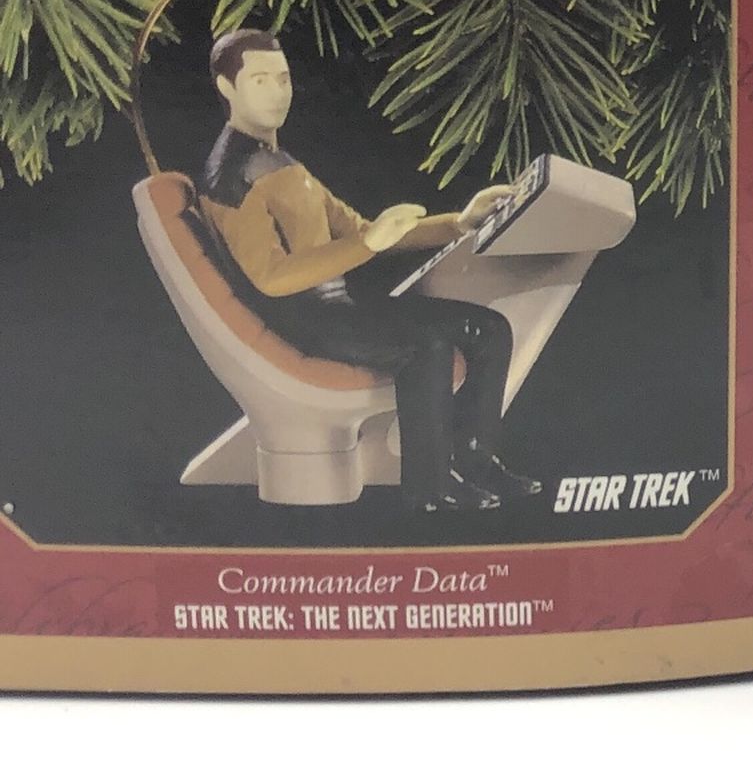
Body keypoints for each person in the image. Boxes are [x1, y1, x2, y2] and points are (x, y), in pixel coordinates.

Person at [196, 27, 540, 513]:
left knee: (488, 328)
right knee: (427, 345)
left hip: (339, 309)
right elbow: (271, 277)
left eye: (283, 78)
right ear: (226, 87)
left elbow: (362, 230)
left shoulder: (278, 159)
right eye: (260, 80)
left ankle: (476, 460)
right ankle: (429, 488)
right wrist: (365, 244)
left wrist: (459, 223)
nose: (277, 92)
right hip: (300, 320)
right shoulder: (231, 175)